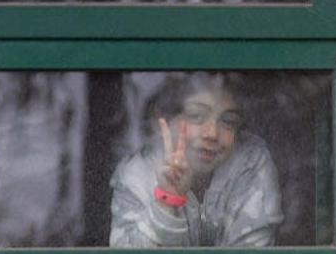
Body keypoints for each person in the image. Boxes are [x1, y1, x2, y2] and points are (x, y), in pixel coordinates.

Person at [109, 73, 283, 247]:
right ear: (161, 120)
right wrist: (167, 202)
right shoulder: (136, 176)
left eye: (228, 121)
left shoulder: (250, 164)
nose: (212, 134)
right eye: (196, 116)